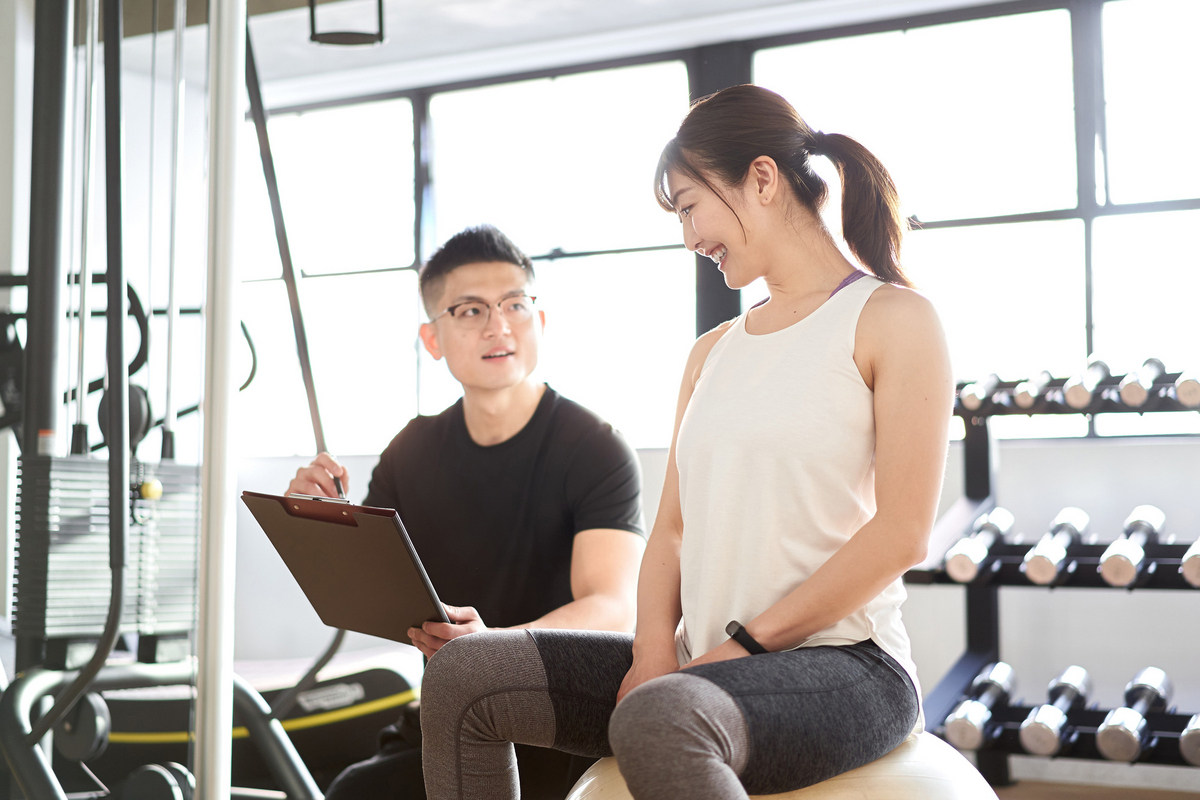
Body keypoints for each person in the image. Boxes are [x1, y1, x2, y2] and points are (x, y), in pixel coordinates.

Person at [417, 84, 954, 800]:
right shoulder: (711, 352)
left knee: (664, 716)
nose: (689, 236)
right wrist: (648, 654)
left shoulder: (894, 319)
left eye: (690, 205)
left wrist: (738, 651)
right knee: (464, 673)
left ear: (761, 179)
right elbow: (670, 529)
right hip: (700, 664)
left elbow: (902, 536)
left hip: (847, 663)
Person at [286, 225, 647, 799]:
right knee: (356, 791)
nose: (498, 325)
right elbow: (379, 588)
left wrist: (494, 648)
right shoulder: (412, 449)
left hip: (554, 714)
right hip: (448, 705)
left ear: (541, 322)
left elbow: (614, 605)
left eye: (514, 305)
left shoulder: (595, 447)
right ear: (433, 339)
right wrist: (324, 520)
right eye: (471, 309)